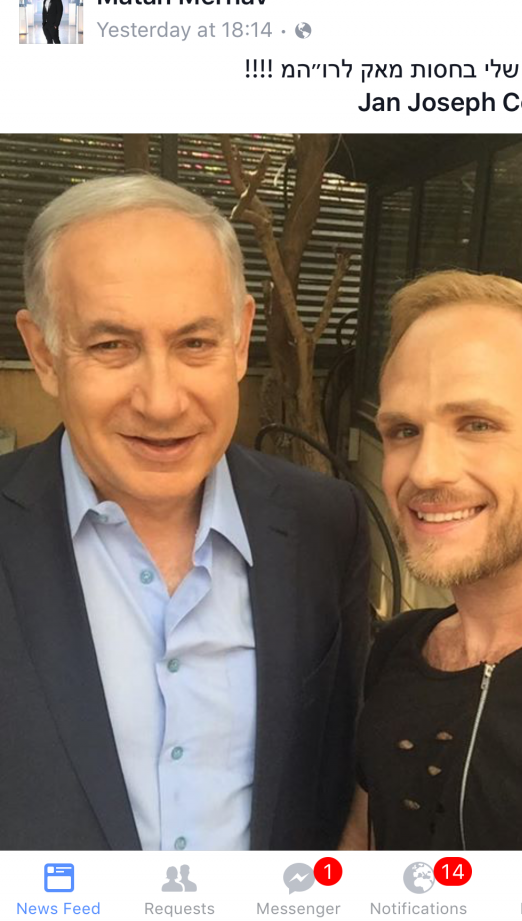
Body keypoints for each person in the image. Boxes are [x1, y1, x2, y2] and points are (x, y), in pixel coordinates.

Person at [0, 174, 370, 851]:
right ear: (44, 353)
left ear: (241, 340)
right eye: (111, 345)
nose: (162, 401)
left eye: (195, 343)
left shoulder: (326, 524)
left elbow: (343, 766)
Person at [341, 270, 522, 851]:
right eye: (404, 430)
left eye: (477, 425)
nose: (426, 470)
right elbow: (364, 837)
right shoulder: (399, 649)